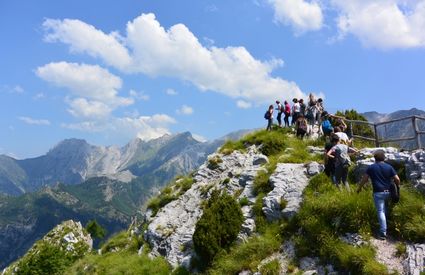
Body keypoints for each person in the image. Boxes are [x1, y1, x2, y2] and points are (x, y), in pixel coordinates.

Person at [357, 150, 400, 240]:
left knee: (381, 211)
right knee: (386, 209)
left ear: (375, 158)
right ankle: (389, 227)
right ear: (384, 158)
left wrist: (359, 188)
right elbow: (397, 179)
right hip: (389, 192)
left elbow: (364, 179)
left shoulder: (371, 167)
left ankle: (383, 232)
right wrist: (397, 187)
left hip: (378, 192)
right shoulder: (389, 167)